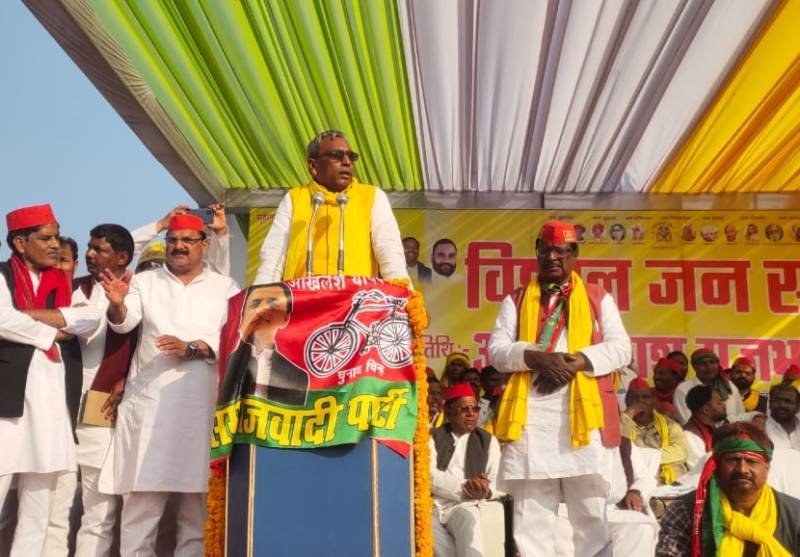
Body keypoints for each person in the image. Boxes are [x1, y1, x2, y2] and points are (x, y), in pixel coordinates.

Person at [98, 214, 239, 555]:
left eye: (188, 240)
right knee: (141, 509)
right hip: (150, 412)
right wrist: (116, 306)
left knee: (197, 510)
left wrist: (193, 348)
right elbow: (124, 322)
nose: (178, 246)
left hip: (201, 408)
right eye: (173, 240)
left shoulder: (226, 287)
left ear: (204, 244)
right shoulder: (145, 282)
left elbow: (234, 338)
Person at [488, 220, 631, 557]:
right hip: (532, 423)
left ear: (574, 254)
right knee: (531, 522)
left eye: (560, 251)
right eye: (545, 250)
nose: (552, 257)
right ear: (536, 252)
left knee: (591, 518)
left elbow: (622, 348)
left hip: (585, 423)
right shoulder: (517, 299)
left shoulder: (597, 297)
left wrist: (576, 362)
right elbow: (496, 350)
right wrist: (538, 359)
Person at [0, 204, 101, 556]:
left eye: (56, 236)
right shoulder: (2, 276)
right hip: (7, 410)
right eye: (46, 238)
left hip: (52, 409)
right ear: (20, 243)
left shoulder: (66, 285)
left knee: (38, 513)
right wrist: (53, 330)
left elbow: (89, 319)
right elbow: (1, 319)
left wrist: (26, 316)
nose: (55, 244)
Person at [253, 130, 408, 283]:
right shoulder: (294, 198)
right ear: (313, 166)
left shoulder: (372, 197)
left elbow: (390, 254)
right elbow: (273, 258)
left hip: (355, 298)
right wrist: (262, 294)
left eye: (351, 156)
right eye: (337, 156)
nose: (347, 162)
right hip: (304, 297)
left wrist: (403, 292)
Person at [656, 421, 800, 556]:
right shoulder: (685, 511)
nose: (742, 469)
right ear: (717, 466)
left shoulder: (795, 514)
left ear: (766, 468)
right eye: (733, 460)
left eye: (751, 461)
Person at [430, 383, 501, 557]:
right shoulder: (432, 436)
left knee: (470, 527)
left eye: (475, 409)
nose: (471, 414)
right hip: (433, 505)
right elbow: (429, 476)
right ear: (449, 411)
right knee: (437, 546)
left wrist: (485, 490)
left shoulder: (488, 440)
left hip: (465, 504)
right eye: (464, 409)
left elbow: (497, 481)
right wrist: (466, 487)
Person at [217, 282, 309, 406]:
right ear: (243, 314)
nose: (262, 308)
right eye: (255, 304)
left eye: (273, 304)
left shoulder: (297, 377)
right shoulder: (227, 361)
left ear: (286, 318)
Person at [621, 378, 688, 485]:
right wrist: (629, 414)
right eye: (634, 397)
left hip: (670, 485)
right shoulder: (620, 424)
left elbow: (680, 451)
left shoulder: (670, 425)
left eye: (645, 397)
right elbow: (619, 452)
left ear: (653, 401)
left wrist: (642, 456)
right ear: (626, 400)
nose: (640, 401)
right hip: (638, 486)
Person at [132, 203, 230, 276]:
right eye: (144, 266)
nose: (151, 270)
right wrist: (161, 225)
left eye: (159, 266)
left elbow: (217, 277)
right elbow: (123, 248)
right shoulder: (133, 289)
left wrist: (220, 233)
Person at [674, 348, 744, 425]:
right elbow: (687, 421)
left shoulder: (730, 387)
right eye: (702, 363)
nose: (708, 367)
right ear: (694, 367)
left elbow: (741, 416)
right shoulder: (684, 389)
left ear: (717, 364)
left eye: (712, 362)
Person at [683, 385, 727, 469]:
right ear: (706, 409)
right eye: (719, 403)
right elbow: (699, 470)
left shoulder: (713, 429)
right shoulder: (689, 434)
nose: (724, 405)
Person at [765, 384, 800, 451]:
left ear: (798, 407)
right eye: (777, 400)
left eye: (788, 401)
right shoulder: (760, 428)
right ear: (769, 403)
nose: (782, 405)